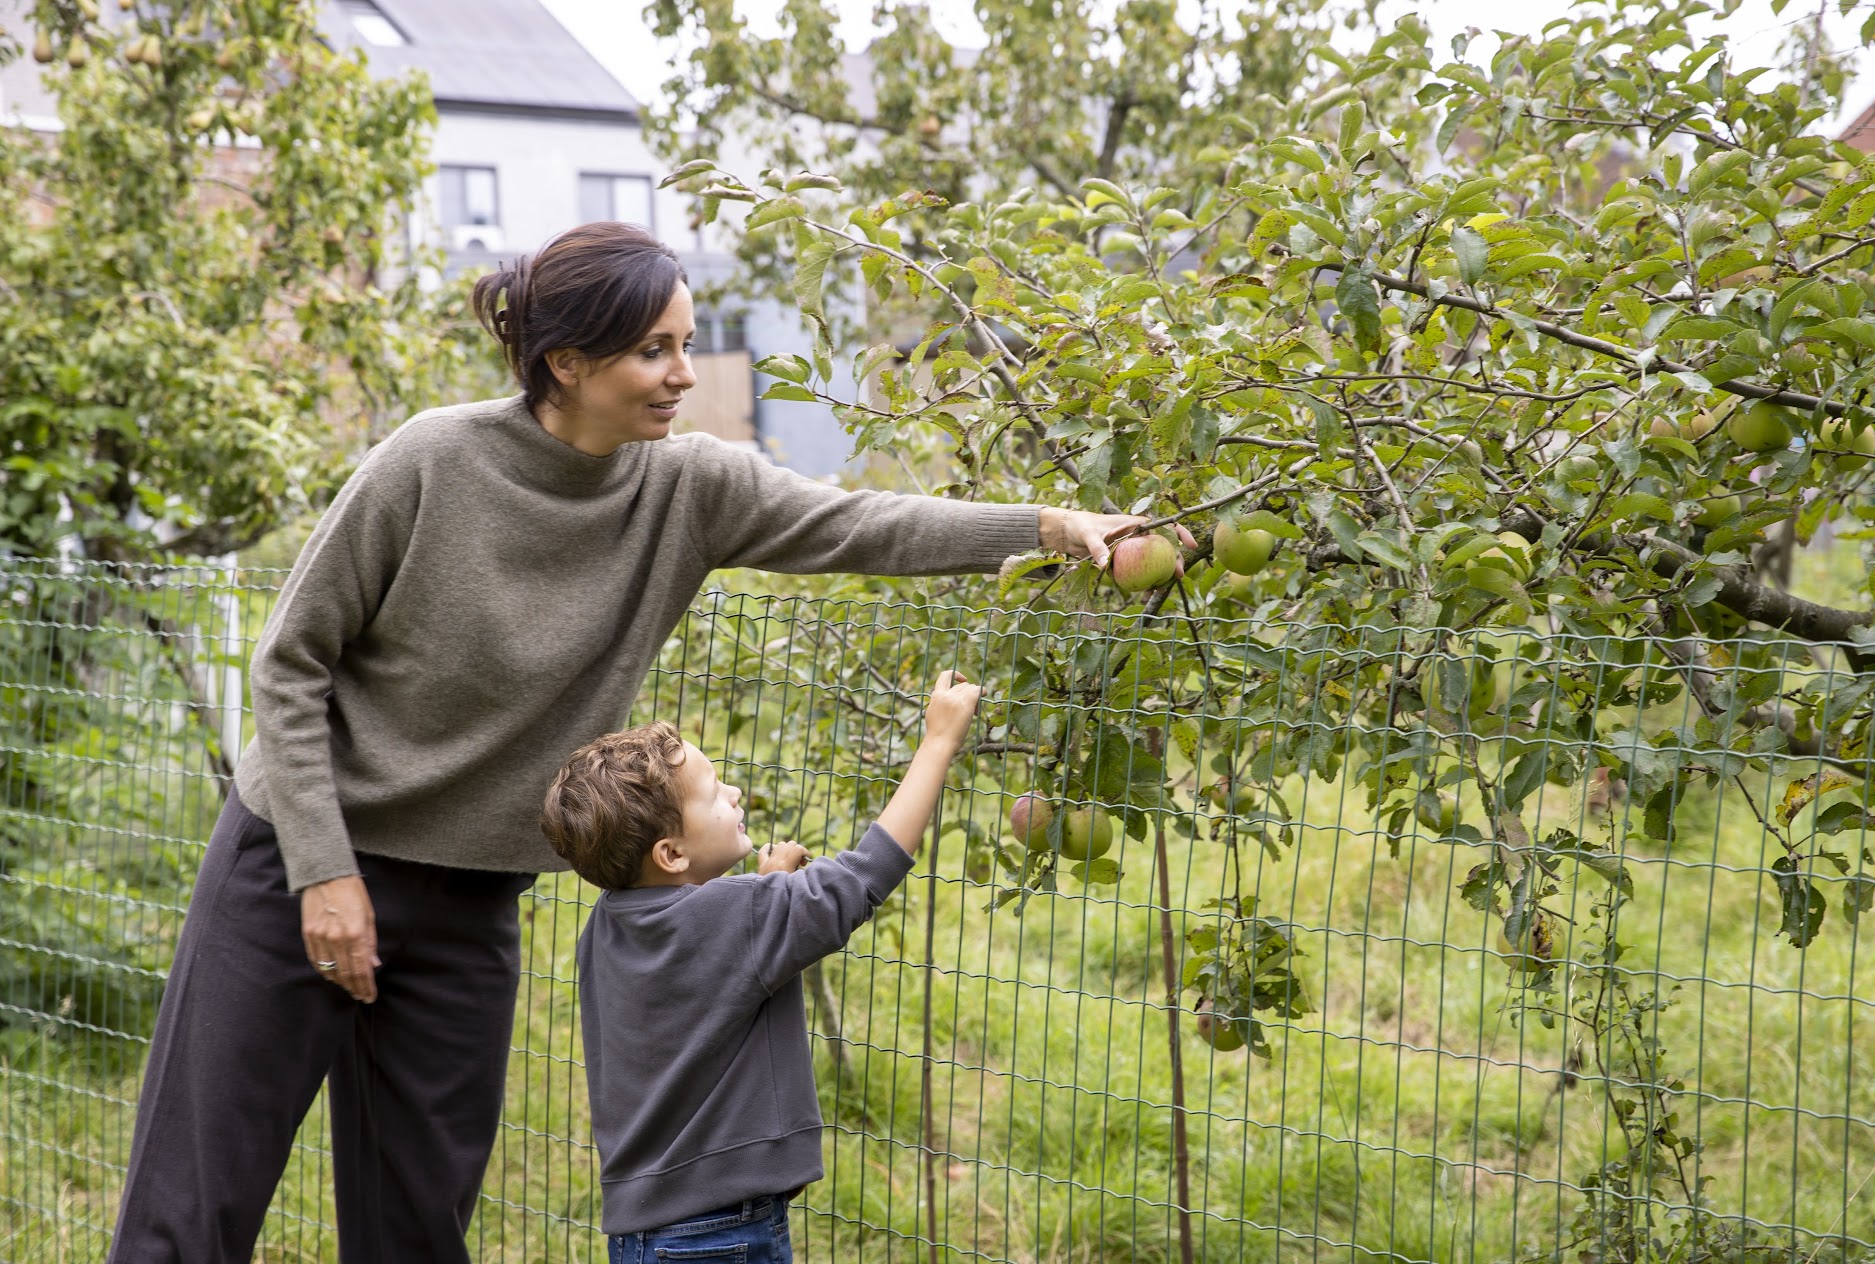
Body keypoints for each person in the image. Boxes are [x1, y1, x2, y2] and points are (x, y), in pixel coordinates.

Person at [107, 221, 1151, 1263]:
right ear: (566, 362)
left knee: (416, 1230)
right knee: (192, 1212)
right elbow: (292, 663)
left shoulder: (686, 488)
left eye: (687, 344)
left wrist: (1051, 527)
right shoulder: (431, 462)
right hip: (297, 862)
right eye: (656, 350)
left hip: (470, 904)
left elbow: (863, 523)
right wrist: (322, 871)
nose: (685, 375)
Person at [541, 669, 984, 1260]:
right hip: (721, 1235)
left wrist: (767, 889)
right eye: (714, 792)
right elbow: (861, 879)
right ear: (670, 853)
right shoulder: (741, 917)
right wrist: (938, 742)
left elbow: (709, 961)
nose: (734, 796)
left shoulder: (608, 925)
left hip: (645, 1233)